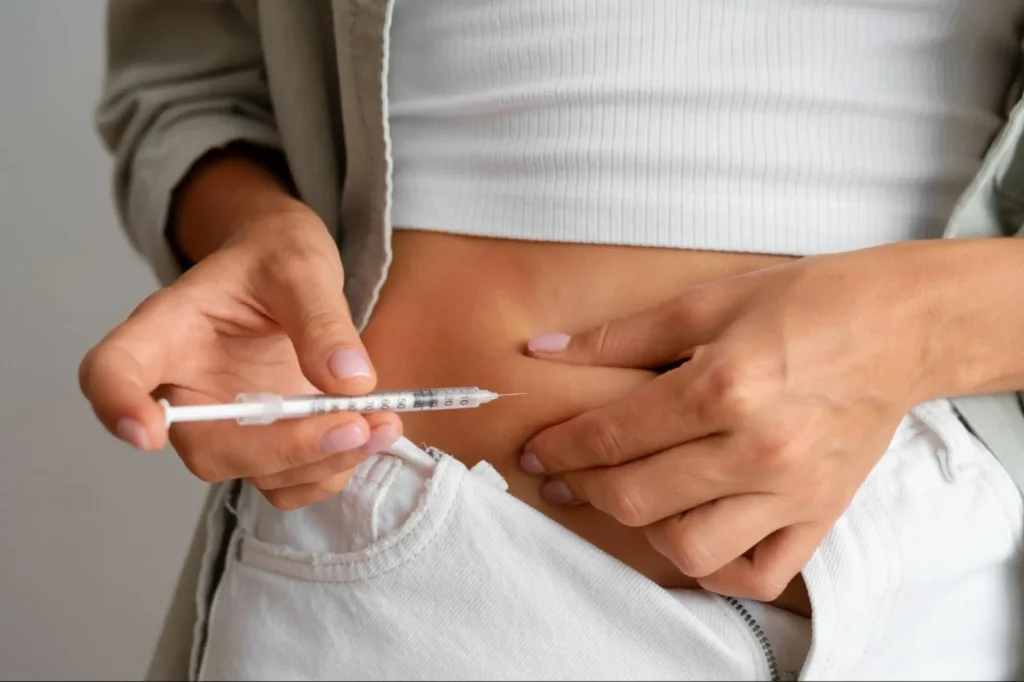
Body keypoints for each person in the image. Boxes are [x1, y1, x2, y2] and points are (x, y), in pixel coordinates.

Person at [81, 0, 1024, 679]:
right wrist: (250, 234)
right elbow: (185, 89)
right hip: (447, 588)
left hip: (951, 587)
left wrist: (921, 331)